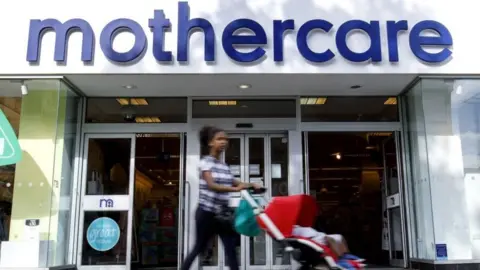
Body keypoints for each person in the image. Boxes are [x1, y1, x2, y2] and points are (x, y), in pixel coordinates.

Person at [181, 126, 261, 270]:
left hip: (222, 214)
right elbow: (212, 185)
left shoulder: (224, 166)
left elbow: (236, 182)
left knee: (230, 248)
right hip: (206, 213)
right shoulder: (205, 162)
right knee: (199, 248)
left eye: (225, 139)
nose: (223, 142)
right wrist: (235, 189)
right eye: (219, 139)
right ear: (211, 142)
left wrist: (252, 185)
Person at [292, 225, 364, 264]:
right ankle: (339, 258)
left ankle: (346, 254)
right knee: (330, 239)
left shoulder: (298, 226)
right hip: (314, 239)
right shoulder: (292, 229)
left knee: (339, 236)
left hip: (319, 235)